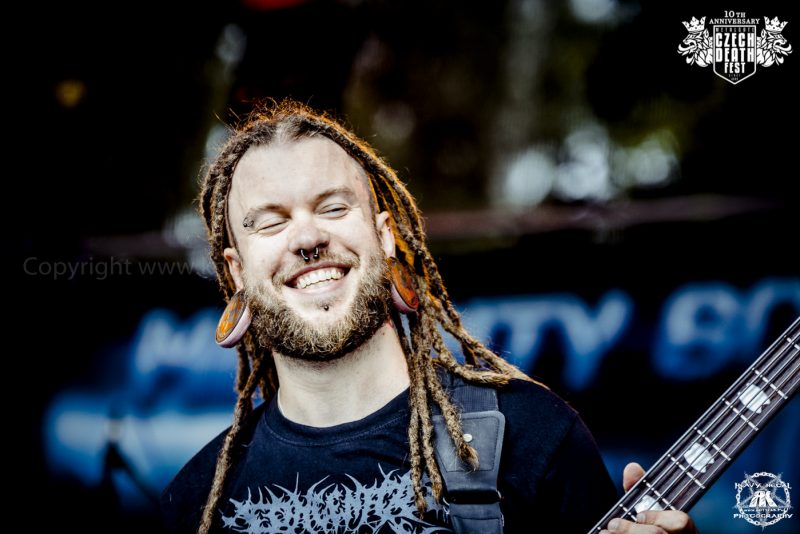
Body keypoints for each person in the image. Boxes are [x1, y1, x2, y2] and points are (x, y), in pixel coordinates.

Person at [160, 99, 698, 534]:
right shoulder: (196, 504)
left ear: (385, 237)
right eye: (270, 223)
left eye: (333, 208)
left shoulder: (532, 437)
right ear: (237, 272)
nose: (307, 238)